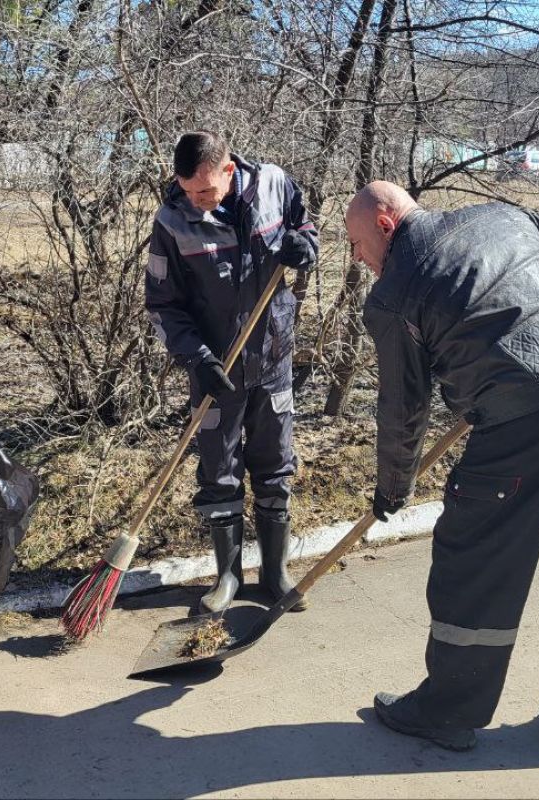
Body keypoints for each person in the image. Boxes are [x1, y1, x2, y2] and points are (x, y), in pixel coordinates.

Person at [346, 181, 539, 755]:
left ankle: (447, 710)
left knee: (475, 553)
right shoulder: (500, 215)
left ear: (385, 225)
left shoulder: (394, 295)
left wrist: (392, 490)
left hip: (529, 415)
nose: (358, 260)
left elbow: (403, 407)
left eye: (357, 244)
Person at [145, 131, 318, 614]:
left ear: (228, 170)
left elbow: (306, 227)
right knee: (219, 472)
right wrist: (198, 358)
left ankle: (275, 572)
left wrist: (303, 248)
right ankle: (227, 577)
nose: (193, 200)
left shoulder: (274, 184)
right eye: (184, 188)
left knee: (274, 464)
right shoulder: (173, 221)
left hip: (273, 356)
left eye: (203, 190)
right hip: (215, 367)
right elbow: (162, 305)